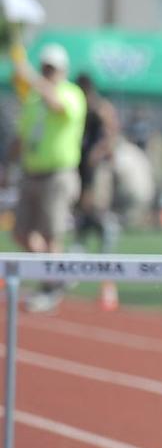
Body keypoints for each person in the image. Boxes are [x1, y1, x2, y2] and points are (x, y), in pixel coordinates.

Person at [5, 42, 87, 312]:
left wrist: (31, 78)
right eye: (44, 68)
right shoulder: (34, 99)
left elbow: (59, 107)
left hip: (58, 174)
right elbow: (23, 135)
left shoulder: (71, 94)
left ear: (63, 70)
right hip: (31, 172)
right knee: (21, 232)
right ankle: (57, 274)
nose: (46, 73)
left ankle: (52, 283)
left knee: (52, 233)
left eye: (51, 69)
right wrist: (7, 165)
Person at [74, 73, 122, 310]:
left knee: (99, 218)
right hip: (83, 171)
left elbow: (111, 134)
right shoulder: (80, 107)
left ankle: (107, 280)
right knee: (84, 221)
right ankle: (78, 266)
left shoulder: (100, 108)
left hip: (98, 171)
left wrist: (99, 152)